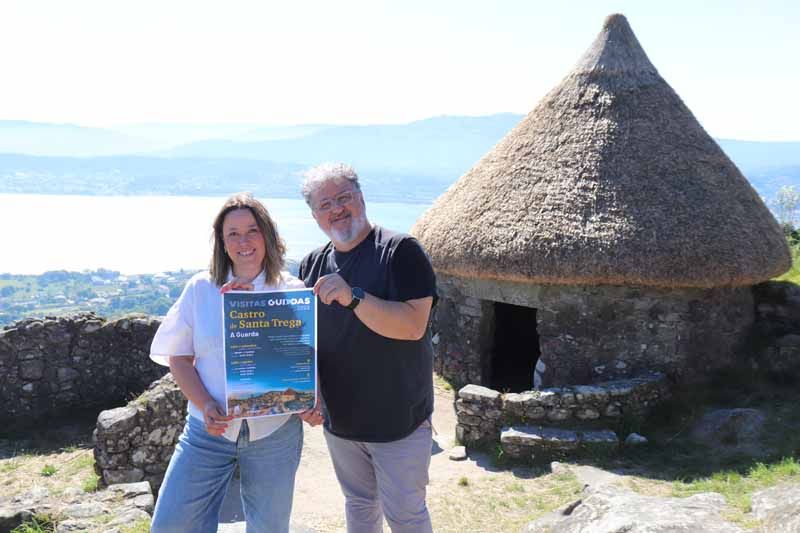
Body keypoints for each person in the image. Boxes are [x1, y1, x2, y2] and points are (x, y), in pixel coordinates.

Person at [149, 193, 305, 533]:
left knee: (269, 528)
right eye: (232, 233)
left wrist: (310, 401)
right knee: (171, 525)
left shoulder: (293, 291)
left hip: (274, 433)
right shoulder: (200, 288)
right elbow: (178, 356)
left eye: (252, 230)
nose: (243, 240)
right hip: (207, 432)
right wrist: (205, 405)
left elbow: (302, 359)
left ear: (267, 234)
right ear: (222, 242)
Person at [298, 162, 437, 533]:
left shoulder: (401, 251)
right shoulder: (311, 264)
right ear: (314, 215)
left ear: (361, 198)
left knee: (406, 517)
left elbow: (412, 326)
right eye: (325, 204)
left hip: (399, 423)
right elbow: (301, 340)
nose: (336, 209)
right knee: (359, 507)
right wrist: (304, 395)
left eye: (344, 197)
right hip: (341, 422)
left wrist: (354, 297)